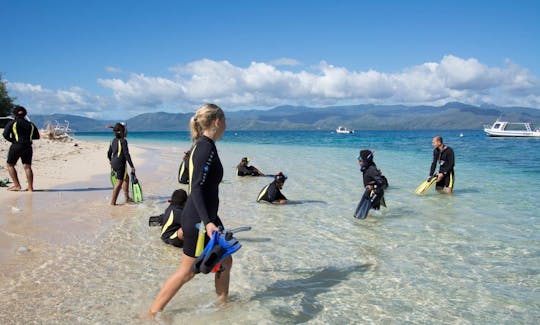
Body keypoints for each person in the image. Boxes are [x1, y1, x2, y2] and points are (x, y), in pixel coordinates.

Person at [148, 103, 229, 316]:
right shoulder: (205, 147)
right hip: (200, 219)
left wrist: (211, 219)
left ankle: (223, 305)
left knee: (225, 259)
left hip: (206, 217)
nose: (226, 127)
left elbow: (186, 178)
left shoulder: (201, 146)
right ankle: (152, 314)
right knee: (187, 272)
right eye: (225, 122)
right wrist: (208, 222)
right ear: (217, 121)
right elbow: (196, 187)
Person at [2, 105, 40, 191]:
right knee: (27, 167)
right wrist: (27, 138)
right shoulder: (31, 124)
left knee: (10, 165)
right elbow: (37, 136)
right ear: (25, 114)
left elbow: (5, 135)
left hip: (16, 145)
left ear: (14, 114)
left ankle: (17, 185)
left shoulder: (13, 123)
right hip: (28, 146)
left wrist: (13, 140)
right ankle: (30, 188)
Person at [107, 123, 135, 205]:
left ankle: (127, 198)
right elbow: (127, 154)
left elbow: (109, 153)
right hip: (120, 164)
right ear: (122, 132)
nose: (126, 132)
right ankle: (113, 203)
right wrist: (132, 166)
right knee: (119, 182)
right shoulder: (123, 141)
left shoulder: (112, 141)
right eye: (124, 130)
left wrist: (110, 160)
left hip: (113, 163)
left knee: (126, 178)